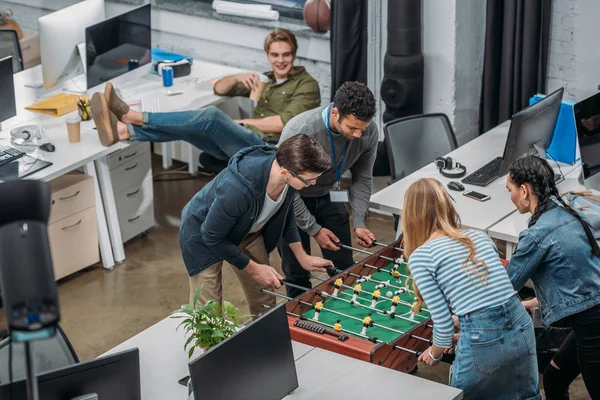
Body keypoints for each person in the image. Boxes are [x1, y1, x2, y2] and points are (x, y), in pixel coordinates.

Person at [89, 28, 321, 169]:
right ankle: (123, 132)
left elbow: (284, 123)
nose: (280, 60)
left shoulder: (307, 85)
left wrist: (241, 124)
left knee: (210, 116)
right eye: (275, 55)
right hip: (244, 146)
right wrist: (237, 76)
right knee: (191, 128)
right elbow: (220, 89)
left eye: (286, 55)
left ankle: (131, 116)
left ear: (294, 54)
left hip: (271, 152)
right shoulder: (266, 79)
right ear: (267, 55)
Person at [402, 178, 540, 400]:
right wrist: (467, 323)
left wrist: (435, 354)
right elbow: (489, 295)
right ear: (447, 204)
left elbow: (444, 328)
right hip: (521, 325)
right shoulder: (479, 235)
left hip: (480, 338)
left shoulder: (420, 257)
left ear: (410, 216)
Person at [179, 134, 333, 317]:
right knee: (209, 314)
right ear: (286, 173)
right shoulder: (237, 189)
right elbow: (212, 236)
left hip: (248, 230)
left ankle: (263, 341)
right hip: (203, 235)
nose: (313, 183)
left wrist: (303, 257)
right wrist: (254, 269)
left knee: (265, 299)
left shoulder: (290, 171)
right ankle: (211, 347)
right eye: (310, 180)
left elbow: (286, 215)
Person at [506, 155, 600, 400]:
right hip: (590, 316)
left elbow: (504, 289)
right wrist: (536, 301)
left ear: (524, 190)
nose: (510, 196)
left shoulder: (536, 235)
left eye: (510, 190)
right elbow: (575, 275)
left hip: (593, 325)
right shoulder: (564, 208)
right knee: (554, 378)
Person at [277, 81, 379, 298]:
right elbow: (285, 188)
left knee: (344, 267)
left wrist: (359, 221)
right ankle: (301, 324)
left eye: (363, 129)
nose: (359, 135)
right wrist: (314, 229)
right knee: (297, 272)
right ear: (335, 113)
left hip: (330, 194)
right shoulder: (301, 131)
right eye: (352, 128)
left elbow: (363, 177)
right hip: (291, 198)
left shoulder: (367, 132)